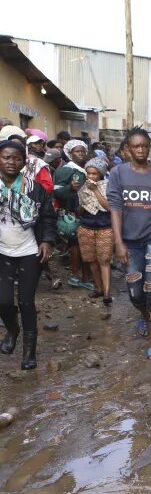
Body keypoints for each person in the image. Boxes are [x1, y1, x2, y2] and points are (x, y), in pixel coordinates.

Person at [107, 127, 151, 361]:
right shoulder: (118, 174)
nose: (140, 150)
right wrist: (118, 243)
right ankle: (145, 312)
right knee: (135, 294)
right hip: (129, 240)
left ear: (149, 148)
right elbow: (115, 209)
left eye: (144, 146)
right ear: (127, 149)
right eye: (135, 146)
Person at [0, 140, 56, 370]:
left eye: (17, 158)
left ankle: (29, 353)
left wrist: (46, 241)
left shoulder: (34, 188)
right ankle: (12, 330)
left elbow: (48, 217)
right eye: (6, 157)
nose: (12, 162)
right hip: (2, 251)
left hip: (29, 251)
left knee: (26, 301)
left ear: (23, 161)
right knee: (2, 301)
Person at [53, 139, 93, 290]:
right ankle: (76, 276)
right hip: (72, 214)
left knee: (84, 246)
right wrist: (69, 188)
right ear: (70, 153)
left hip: (86, 213)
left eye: (83, 151)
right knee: (76, 246)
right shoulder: (66, 170)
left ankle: (84, 276)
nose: (81, 154)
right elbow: (56, 192)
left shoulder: (84, 168)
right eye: (77, 151)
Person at [75, 156, 114, 304]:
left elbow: (108, 207)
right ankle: (98, 288)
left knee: (104, 260)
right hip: (86, 227)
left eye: (94, 174)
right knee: (91, 260)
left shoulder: (108, 186)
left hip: (105, 228)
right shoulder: (83, 187)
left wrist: (95, 190)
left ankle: (106, 293)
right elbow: (80, 209)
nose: (91, 176)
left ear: (101, 174)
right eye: (89, 173)